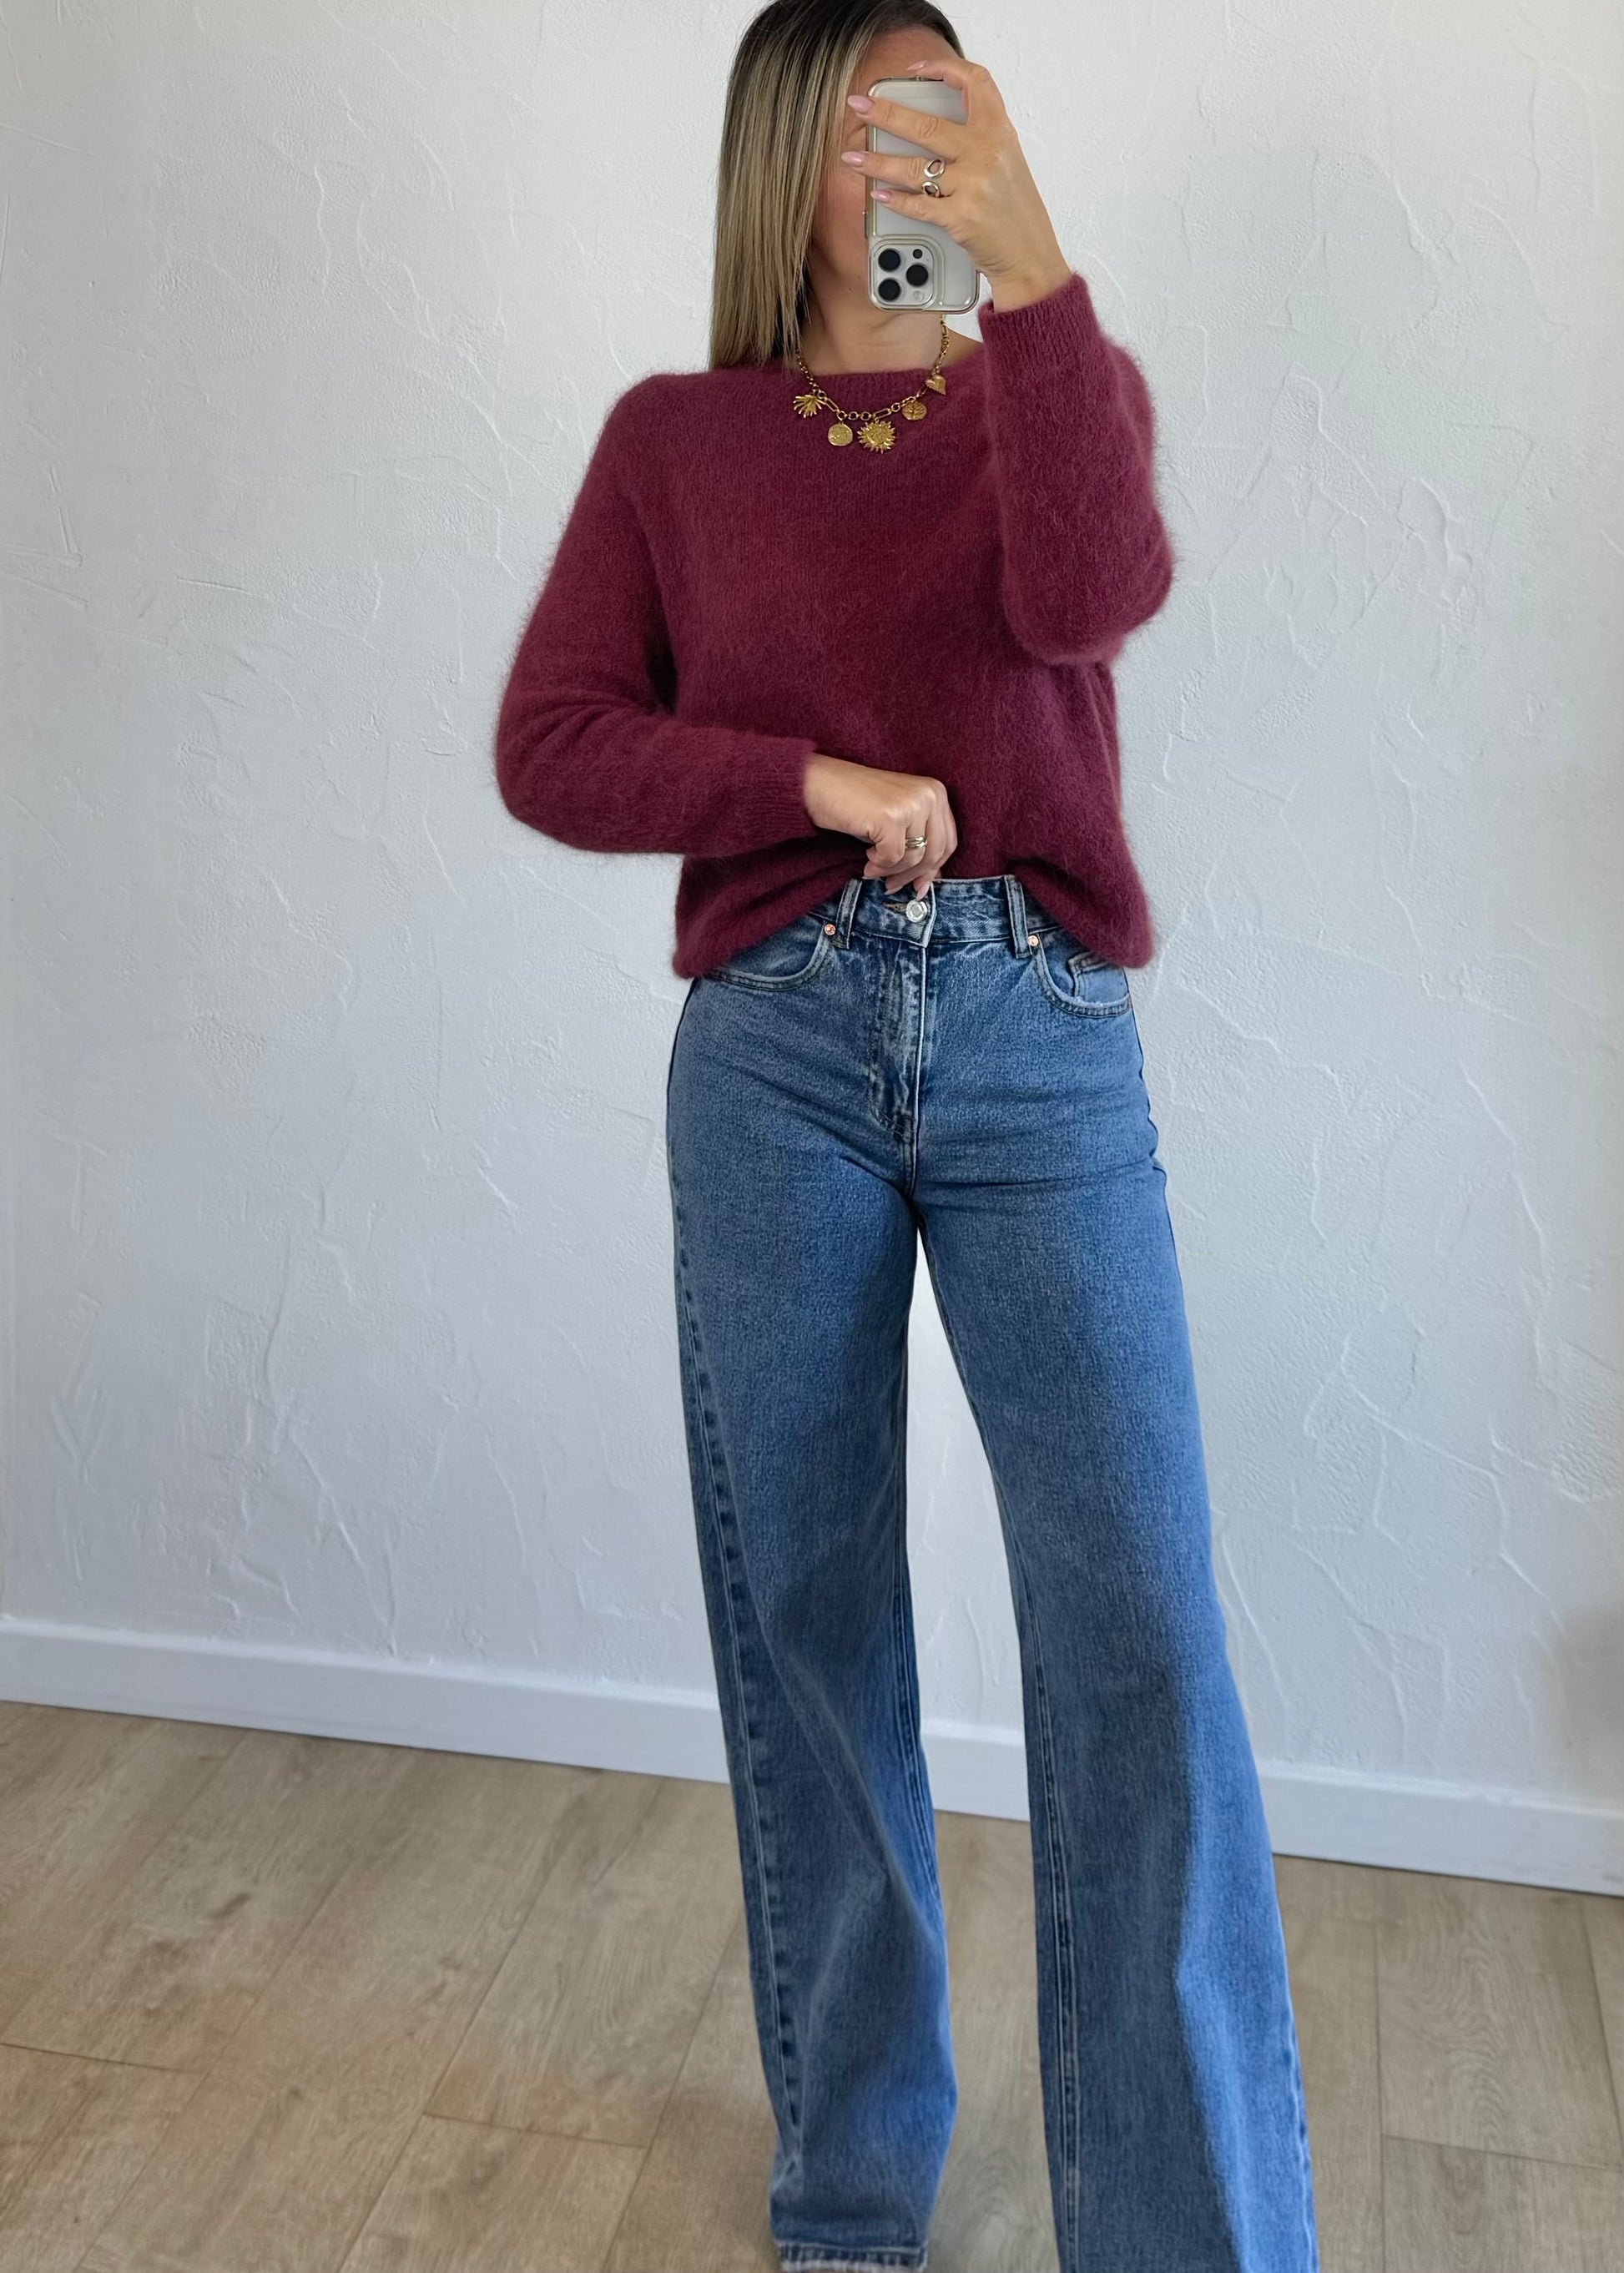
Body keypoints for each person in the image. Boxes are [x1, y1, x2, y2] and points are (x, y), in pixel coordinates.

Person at [494, 3, 1321, 2268]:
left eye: (961, 125)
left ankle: (1187, 2237)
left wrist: (1037, 289)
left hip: (1041, 1033)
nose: (928, 171)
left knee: (1140, 1627)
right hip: (774, 1046)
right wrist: (805, 781)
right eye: (887, 131)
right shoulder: (675, 443)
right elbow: (554, 740)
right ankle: (855, 2192)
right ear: (791, 164)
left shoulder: (1052, 395)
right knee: (809, 1614)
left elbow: (1092, 597)